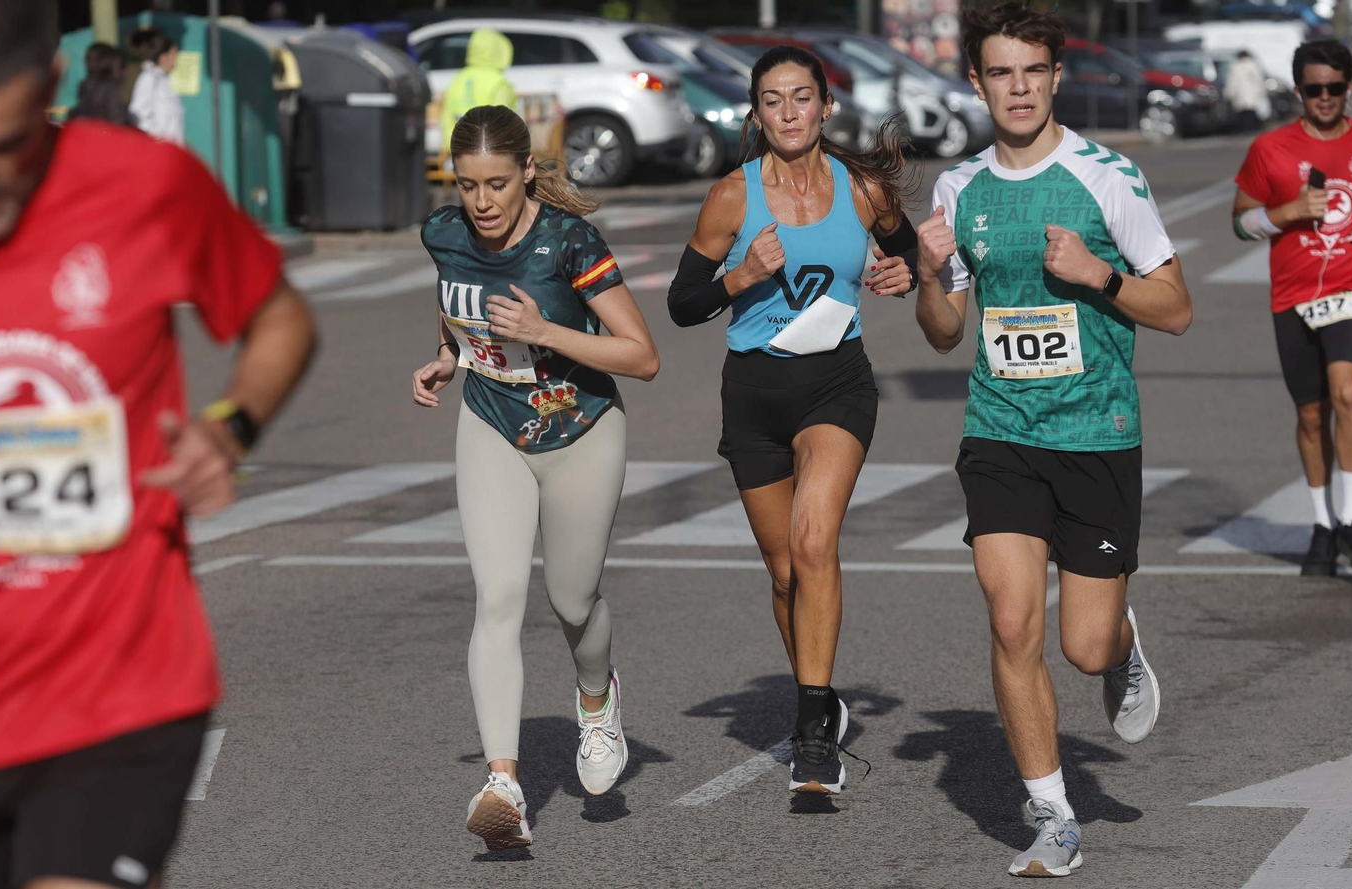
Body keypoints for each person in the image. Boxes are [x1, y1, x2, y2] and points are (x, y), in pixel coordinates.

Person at [0, 0, 317, 886]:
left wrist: (229, 426)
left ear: (50, 88)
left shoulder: (143, 183)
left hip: (118, 690)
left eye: (2, 146)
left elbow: (279, 317)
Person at [914, 2, 1192, 876]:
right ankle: (1053, 812)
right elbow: (944, 332)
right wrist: (929, 273)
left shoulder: (1109, 177)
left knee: (1083, 644)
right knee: (1009, 619)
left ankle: (1119, 645)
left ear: (1056, 76)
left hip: (1097, 434)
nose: (1020, 88)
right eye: (1002, 72)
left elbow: (1177, 308)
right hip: (1001, 429)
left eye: (1033, 71)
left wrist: (1097, 272)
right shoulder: (959, 190)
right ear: (977, 82)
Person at [666, 45, 918, 795]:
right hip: (753, 393)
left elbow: (908, 256)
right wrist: (739, 277)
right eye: (772, 101)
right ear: (756, 113)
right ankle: (824, 693)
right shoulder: (731, 198)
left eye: (801, 98)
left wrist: (902, 275)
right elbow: (683, 304)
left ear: (826, 106)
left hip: (836, 384)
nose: (788, 113)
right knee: (785, 575)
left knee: (815, 541)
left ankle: (813, 733)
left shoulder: (864, 189)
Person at [410, 104, 659, 850]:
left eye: (496, 183)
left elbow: (642, 355)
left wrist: (545, 332)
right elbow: (455, 299)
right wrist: (451, 357)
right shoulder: (444, 232)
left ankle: (595, 702)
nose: (481, 202)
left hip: (579, 429)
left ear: (526, 174)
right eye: (467, 185)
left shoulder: (568, 241)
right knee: (499, 597)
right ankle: (504, 784)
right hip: (491, 423)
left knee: (572, 598)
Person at [1229, 40, 1352, 575]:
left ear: (1348, 87)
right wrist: (1286, 211)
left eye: (1335, 87)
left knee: (1348, 393)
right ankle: (1323, 524)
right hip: (1293, 296)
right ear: (1298, 92)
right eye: (1315, 89)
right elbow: (1240, 222)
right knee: (1311, 416)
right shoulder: (1270, 149)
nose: (1325, 98)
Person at [440, 30, 516, 155]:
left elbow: (446, 117)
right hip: (488, 150)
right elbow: (502, 121)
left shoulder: (457, 79)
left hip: (456, 149)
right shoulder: (497, 82)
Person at [127, 27, 184, 144]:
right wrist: (158, 139)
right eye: (174, 54)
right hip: (160, 150)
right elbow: (137, 113)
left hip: (172, 150)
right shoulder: (149, 78)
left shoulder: (163, 80)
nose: (176, 60)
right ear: (163, 57)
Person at [68, 42, 135, 127]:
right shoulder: (110, 89)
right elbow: (118, 119)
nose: (124, 72)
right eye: (122, 66)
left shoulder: (86, 85)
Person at [1224, 49, 1270, 132]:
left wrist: (1230, 93)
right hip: (1252, 93)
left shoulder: (1236, 66)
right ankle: (1252, 128)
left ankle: (1245, 128)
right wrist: (1262, 91)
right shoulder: (1254, 65)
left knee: (1243, 113)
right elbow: (1259, 79)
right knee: (1251, 111)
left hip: (1240, 94)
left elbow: (1232, 82)